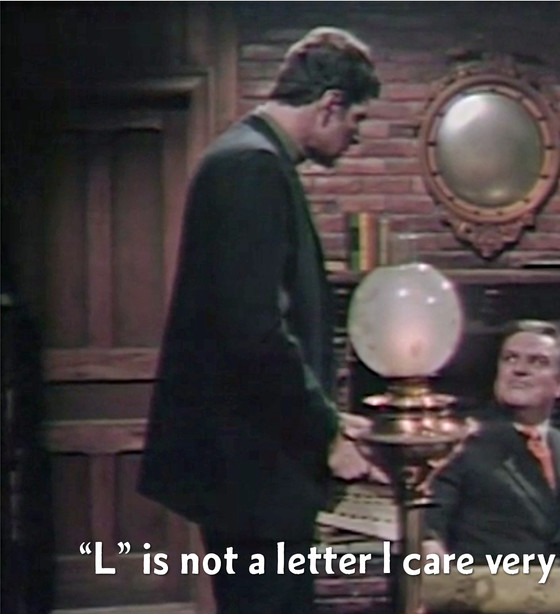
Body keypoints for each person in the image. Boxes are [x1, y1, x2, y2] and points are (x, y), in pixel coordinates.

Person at [138, 27, 381, 613]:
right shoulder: (250, 166)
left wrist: (330, 415)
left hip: (256, 463)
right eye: (357, 120)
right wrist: (325, 432)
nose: (356, 136)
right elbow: (254, 332)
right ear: (330, 104)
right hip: (253, 470)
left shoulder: (250, 159)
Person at [424, 320, 560, 561]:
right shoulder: (462, 442)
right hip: (487, 582)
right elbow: (429, 521)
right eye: (510, 359)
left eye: (538, 362)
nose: (519, 370)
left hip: (558, 583)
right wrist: (430, 547)